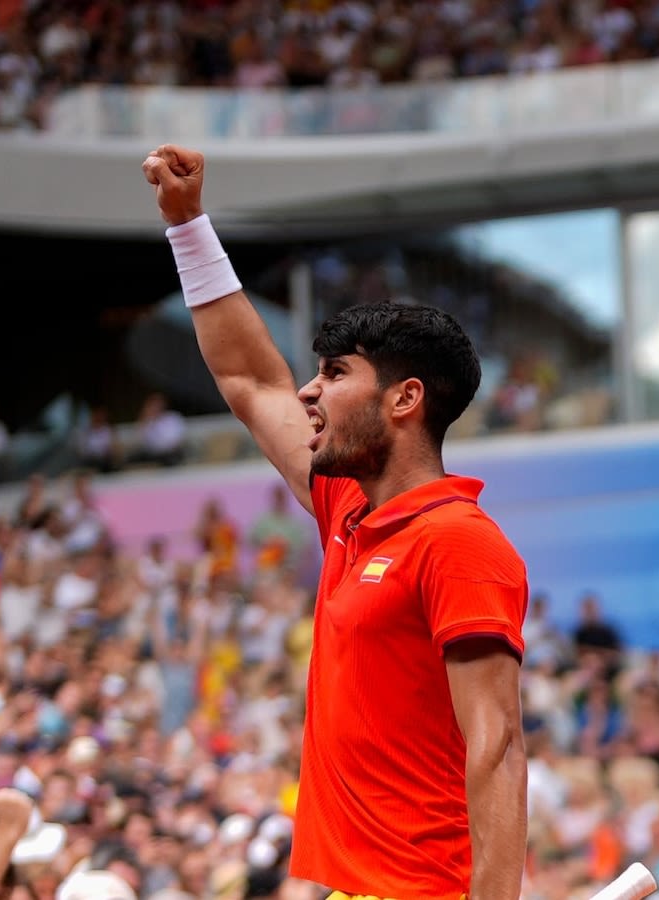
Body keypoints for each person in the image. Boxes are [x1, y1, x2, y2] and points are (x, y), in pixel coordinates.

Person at [143, 144, 529, 900]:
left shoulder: (458, 542)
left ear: (404, 400)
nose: (310, 393)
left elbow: (498, 745)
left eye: (335, 374)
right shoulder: (348, 508)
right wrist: (188, 226)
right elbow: (252, 380)